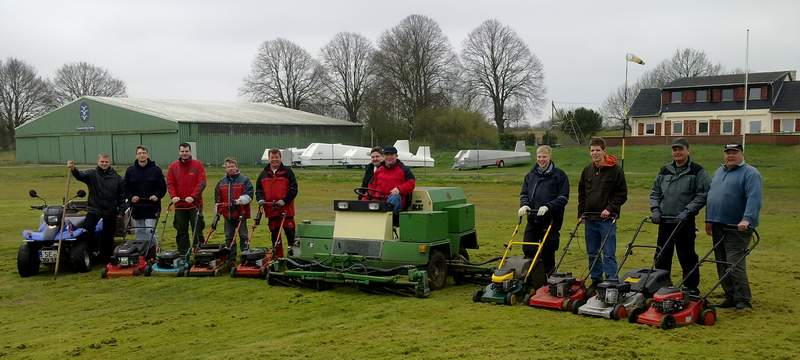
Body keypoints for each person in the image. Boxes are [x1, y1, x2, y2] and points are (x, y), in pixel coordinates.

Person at [705, 143, 762, 310]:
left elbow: (754, 198)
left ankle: (743, 299)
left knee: (734, 263)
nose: (730, 156)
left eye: (734, 152)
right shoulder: (719, 171)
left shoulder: (751, 173)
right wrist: (709, 218)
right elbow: (711, 196)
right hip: (717, 224)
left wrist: (747, 219)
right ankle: (730, 296)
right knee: (721, 262)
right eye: (728, 153)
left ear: (741, 154)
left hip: (737, 227)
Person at [649, 138, 709, 294]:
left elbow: (702, 195)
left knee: (687, 255)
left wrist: (687, 211)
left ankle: (691, 287)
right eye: (675, 150)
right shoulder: (664, 170)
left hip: (684, 221)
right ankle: (661, 284)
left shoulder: (697, 171)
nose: (677, 152)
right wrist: (655, 209)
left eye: (680, 149)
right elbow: (655, 192)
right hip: (664, 220)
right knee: (661, 254)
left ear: (687, 150)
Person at [577, 137, 627, 287]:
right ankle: (596, 280)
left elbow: (622, 194)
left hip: (607, 219)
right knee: (592, 252)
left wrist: (609, 208)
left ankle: (611, 281)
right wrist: (581, 214)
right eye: (592, 150)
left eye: (598, 150)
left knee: (608, 253)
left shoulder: (615, 170)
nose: (595, 153)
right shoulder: (587, 170)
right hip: (590, 219)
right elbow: (582, 194)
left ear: (604, 151)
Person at [517, 145, 569, 275]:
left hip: (551, 220)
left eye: (544, 157)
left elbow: (563, 198)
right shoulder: (530, 175)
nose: (541, 159)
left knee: (548, 250)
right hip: (533, 219)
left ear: (550, 157)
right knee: (528, 248)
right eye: (539, 157)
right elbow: (524, 194)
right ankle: (534, 274)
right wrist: (524, 205)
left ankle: (548, 276)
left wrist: (548, 207)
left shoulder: (559, 175)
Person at [67, 154, 124, 261]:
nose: (104, 164)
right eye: (102, 161)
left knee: (108, 235)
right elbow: (80, 175)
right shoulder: (91, 174)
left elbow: (121, 196)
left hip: (110, 211)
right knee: (86, 230)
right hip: (94, 209)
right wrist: (73, 169)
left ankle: (106, 257)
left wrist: (121, 211)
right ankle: (90, 251)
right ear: (98, 162)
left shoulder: (116, 177)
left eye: (106, 162)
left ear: (109, 163)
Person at [166, 143, 206, 253]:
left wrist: (193, 196)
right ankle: (183, 253)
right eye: (182, 151)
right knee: (181, 230)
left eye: (186, 151)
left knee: (197, 229)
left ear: (190, 152)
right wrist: (173, 196)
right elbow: (170, 183)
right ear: (179, 152)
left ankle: (199, 252)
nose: (184, 153)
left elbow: (202, 182)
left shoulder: (197, 165)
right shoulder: (173, 167)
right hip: (180, 205)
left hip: (195, 204)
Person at [256, 149, 298, 253]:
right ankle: (278, 258)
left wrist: (284, 200)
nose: (274, 159)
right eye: (272, 157)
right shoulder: (263, 174)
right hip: (271, 210)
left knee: (290, 234)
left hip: (286, 210)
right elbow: (258, 190)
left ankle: (293, 257)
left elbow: (293, 189)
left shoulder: (287, 172)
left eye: (276, 157)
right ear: (269, 159)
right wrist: (260, 199)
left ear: (280, 158)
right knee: (275, 235)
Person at [123, 145, 167, 244]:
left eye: (144, 153)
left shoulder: (156, 170)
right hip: (137, 207)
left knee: (150, 231)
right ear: (136, 156)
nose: (142, 155)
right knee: (139, 231)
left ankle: (153, 251)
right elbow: (126, 188)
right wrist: (131, 197)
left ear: (147, 155)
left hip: (152, 206)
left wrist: (157, 196)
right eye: (139, 153)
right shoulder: (130, 171)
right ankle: (141, 254)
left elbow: (162, 188)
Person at [214, 157, 254, 255]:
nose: (230, 168)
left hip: (241, 213)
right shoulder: (221, 182)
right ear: (225, 168)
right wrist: (218, 213)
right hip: (227, 214)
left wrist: (240, 200)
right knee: (229, 236)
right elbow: (218, 199)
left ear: (236, 167)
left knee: (243, 235)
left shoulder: (244, 180)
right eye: (228, 167)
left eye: (232, 166)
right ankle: (231, 256)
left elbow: (249, 195)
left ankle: (245, 255)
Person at [368, 146, 416, 214]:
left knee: (395, 197)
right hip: (378, 201)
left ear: (396, 156)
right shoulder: (379, 170)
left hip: (394, 201)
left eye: (391, 155)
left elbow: (411, 183)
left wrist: (399, 189)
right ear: (384, 156)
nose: (389, 157)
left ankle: (391, 218)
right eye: (387, 155)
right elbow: (371, 187)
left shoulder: (404, 169)